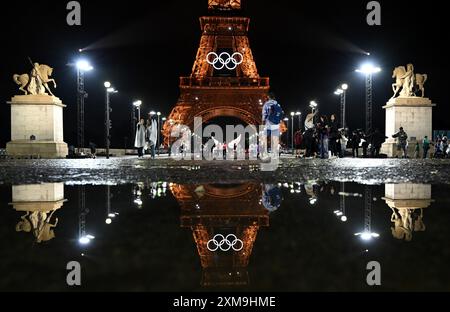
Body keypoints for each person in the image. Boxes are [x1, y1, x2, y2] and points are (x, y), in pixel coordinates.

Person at [262, 92, 284, 159]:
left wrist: (263, 122)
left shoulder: (266, 104)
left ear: (268, 97)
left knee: (264, 137)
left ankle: (264, 153)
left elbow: (264, 114)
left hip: (268, 123)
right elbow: (281, 113)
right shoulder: (277, 104)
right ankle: (275, 154)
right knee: (275, 139)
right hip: (276, 123)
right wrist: (279, 120)